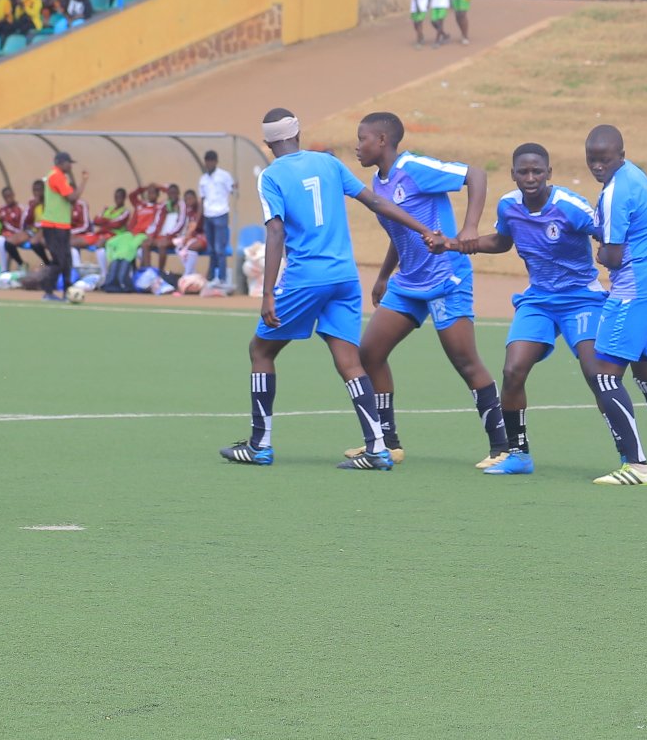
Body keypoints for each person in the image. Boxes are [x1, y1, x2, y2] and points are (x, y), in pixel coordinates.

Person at [218, 107, 443, 469]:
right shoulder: (329, 163)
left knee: (260, 350)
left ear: (268, 142)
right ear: (298, 132)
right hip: (344, 278)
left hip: (307, 278)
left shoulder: (272, 175)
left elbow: (275, 231)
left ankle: (260, 444)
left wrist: (267, 293)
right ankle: (377, 449)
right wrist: (422, 228)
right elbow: (376, 202)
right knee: (348, 361)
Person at [348, 112, 508, 466]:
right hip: (408, 283)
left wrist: (469, 228)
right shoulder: (379, 182)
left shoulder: (415, 167)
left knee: (465, 362)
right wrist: (384, 274)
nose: (356, 146)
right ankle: (387, 443)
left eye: (362, 139)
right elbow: (401, 232)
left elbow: (475, 175)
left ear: (382, 141)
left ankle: (502, 447)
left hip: (445, 279)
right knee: (369, 353)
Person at [438, 142, 606, 475]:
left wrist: (620, 264)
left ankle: (630, 456)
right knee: (513, 371)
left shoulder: (571, 206)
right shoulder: (509, 206)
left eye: (537, 171)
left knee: (597, 375)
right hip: (538, 299)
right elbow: (503, 241)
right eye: (523, 172)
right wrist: (458, 244)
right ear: (513, 174)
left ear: (549, 174)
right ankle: (519, 454)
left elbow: (608, 234)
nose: (531, 178)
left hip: (581, 298)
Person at [584, 124, 647, 486]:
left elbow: (611, 255)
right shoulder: (635, 176)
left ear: (620, 156)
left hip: (635, 289)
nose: (597, 166)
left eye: (604, 160)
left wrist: (599, 251)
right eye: (592, 160)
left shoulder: (614, 192)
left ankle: (636, 465)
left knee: (604, 374)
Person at [37, 151, 86, 300]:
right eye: (68, 162)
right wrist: (84, 181)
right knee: (59, 260)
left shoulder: (60, 176)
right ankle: (48, 292)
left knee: (66, 260)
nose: (70, 165)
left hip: (62, 225)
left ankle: (67, 291)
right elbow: (72, 197)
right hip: (53, 226)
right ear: (61, 162)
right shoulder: (56, 176)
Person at [198, 149, 237, 291]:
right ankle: (212, 277)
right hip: (208, 215)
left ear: (215, 161)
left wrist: (235, 187)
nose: (208, 164)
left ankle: (222, 277)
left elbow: (233, 190)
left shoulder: (224, 176)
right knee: (211, 248)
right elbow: (202, 199)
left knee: (220, 248)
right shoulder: (203, 179)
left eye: (210, 161)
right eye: (206, 161)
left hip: (220, 213)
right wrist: (199, 219)